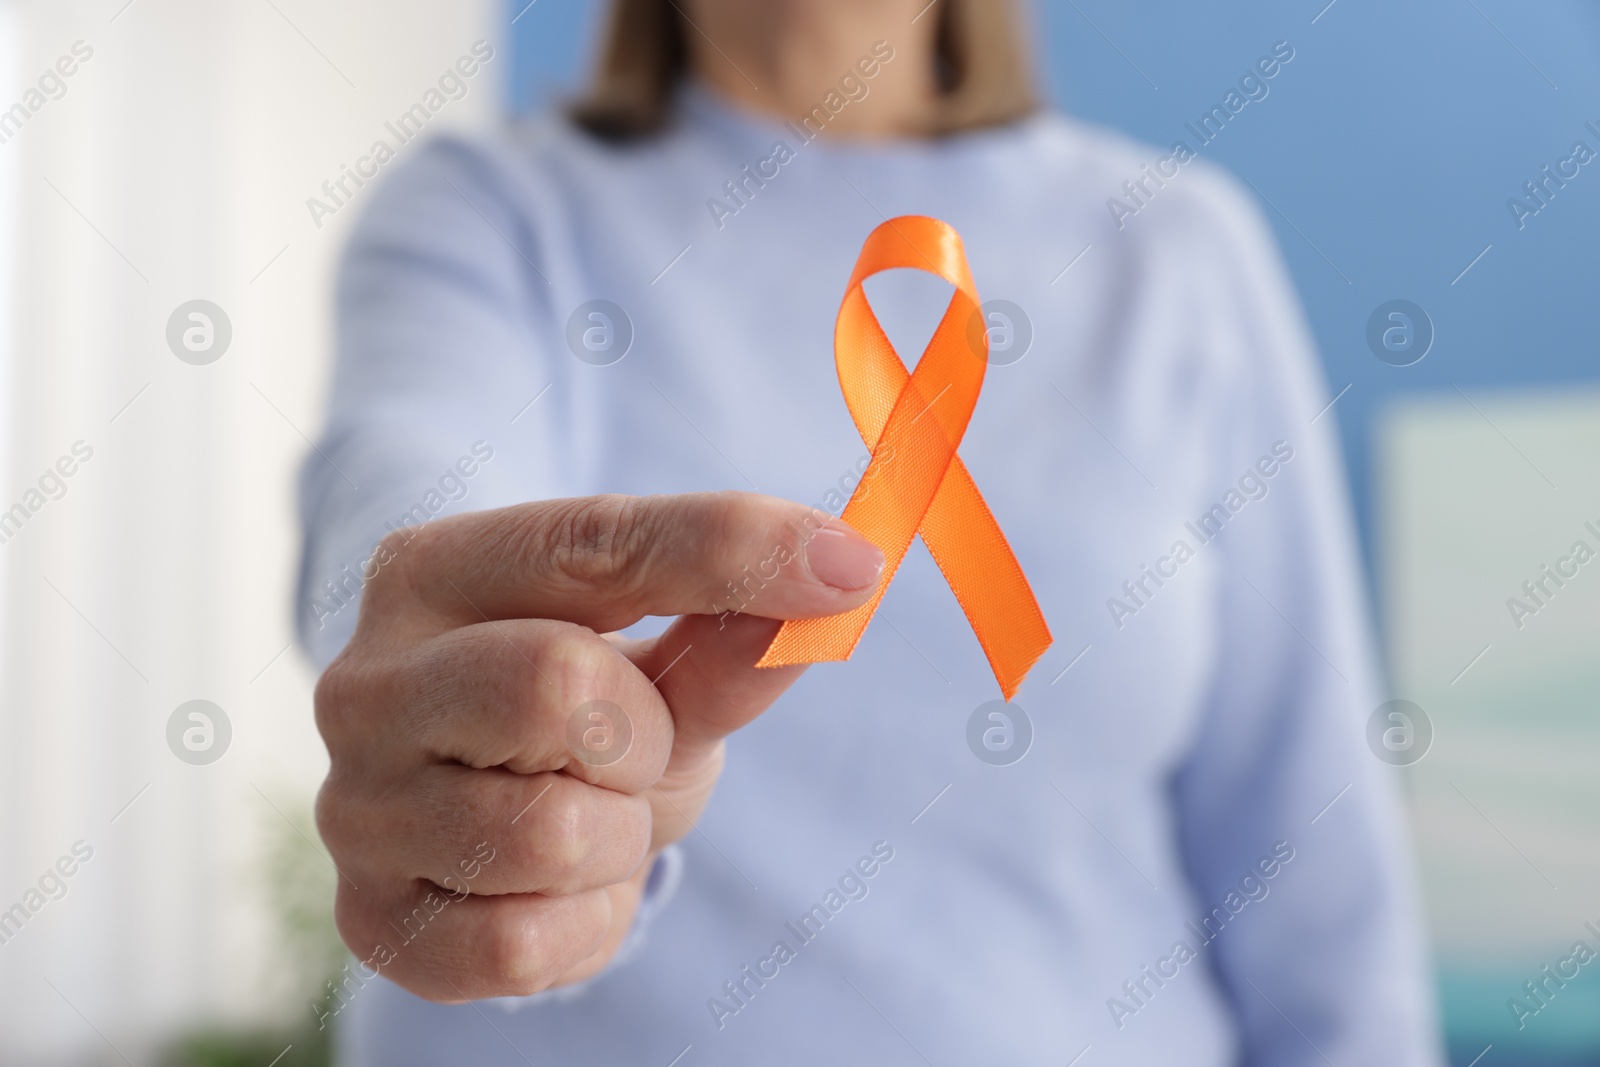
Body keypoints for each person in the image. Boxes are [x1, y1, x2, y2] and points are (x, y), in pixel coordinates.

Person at [297, 0, 1444, 1062]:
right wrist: (447, 680)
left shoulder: (1178, 250)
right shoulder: (490, 208)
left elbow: (1318, 885)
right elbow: (406, 511)